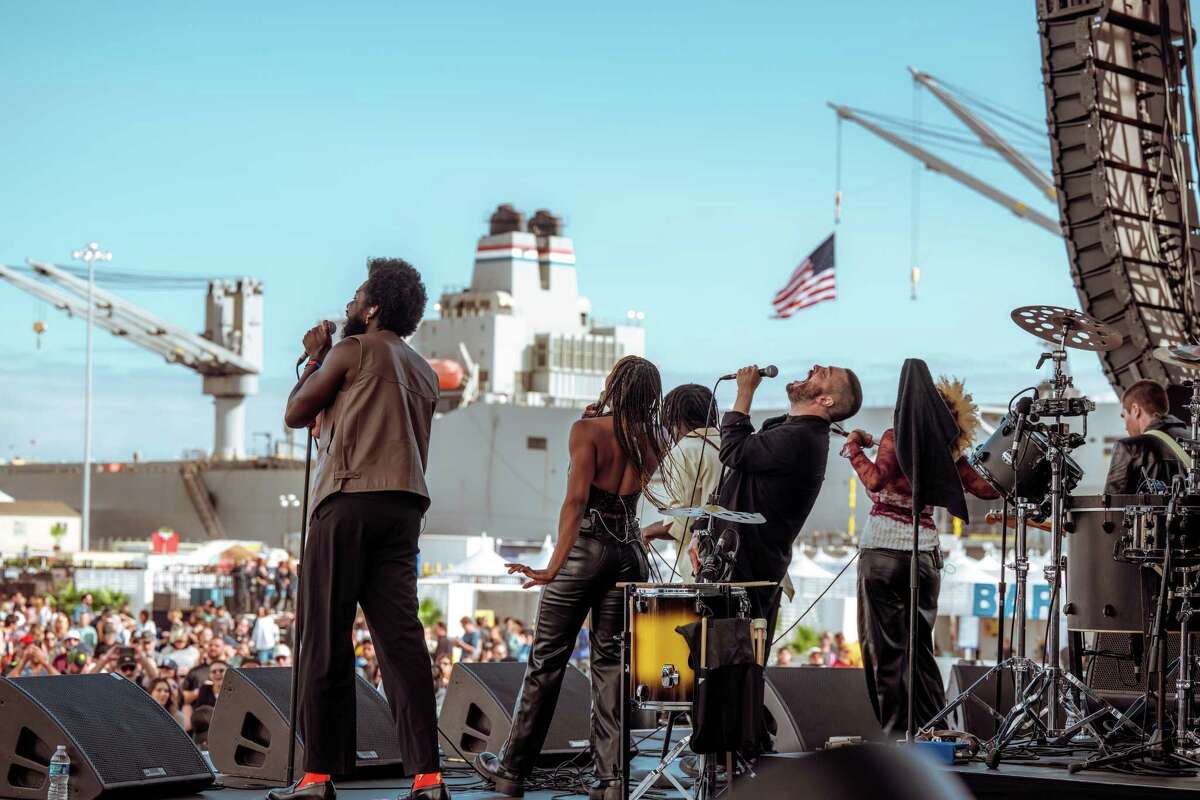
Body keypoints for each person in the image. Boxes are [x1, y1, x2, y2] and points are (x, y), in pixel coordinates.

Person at [278, 259, 445, 800]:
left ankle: (319, 777)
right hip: (403, 509)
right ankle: (427, 777)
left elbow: (297, 412)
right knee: (400, 643)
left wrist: (313, 356)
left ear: (372, 308)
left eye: (355, 297)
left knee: (325, 637)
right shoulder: (423, 370)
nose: (348, 305)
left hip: (348, 500)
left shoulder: (351, 350)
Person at [476, 355, 669, 800]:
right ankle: (612, 779)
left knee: (547, 664)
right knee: (609, 667)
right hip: (629, 554)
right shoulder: (653, 440)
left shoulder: (587, 431)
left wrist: (552, 566)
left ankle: (511, 773)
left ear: (614, 385)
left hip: (586, 551)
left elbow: (575, 504)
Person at [842, 376, 999, 735]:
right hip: (925, 554)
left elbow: (876, 480)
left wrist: (854, 449)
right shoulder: (947, 449)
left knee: (884, 650)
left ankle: (897, 735)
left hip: (882, 551)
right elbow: (983, 488)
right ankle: (933, 728)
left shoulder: (896, 437)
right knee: (920, 649)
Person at [693, 364, 863, 641]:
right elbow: (736, 479)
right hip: (733, 566)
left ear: (826, 400)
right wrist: (701, 528)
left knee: (730, 672)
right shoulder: (793, 430)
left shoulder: (800, 438)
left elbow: (733, 451)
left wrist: (744, 392)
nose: (815, 367)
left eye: (825, 373)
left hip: (745, 574)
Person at [642, 384, 722, 581]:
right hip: (759, 568)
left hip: (712, 572)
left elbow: (681, 523)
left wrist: (647, 531)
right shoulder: (732, 442)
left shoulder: (685, 451)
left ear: (674, 420)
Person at [1105, 379, 1190, 494]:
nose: (1125, 427)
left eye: (1124, 415)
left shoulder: (1129, 447)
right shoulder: (1195, 440)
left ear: (1135, 410)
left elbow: (1111, 508)